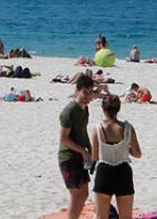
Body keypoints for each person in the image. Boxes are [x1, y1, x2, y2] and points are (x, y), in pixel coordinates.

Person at [90, 95, 141, 219]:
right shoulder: (128, 128)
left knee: (101, 216)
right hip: (123, 171)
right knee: (126, 216)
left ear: (103, 109)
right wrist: (124, 148)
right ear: (118, 109)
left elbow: (95, 156)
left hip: (104, 171)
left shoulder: (98, 128)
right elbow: (138, 154)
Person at [58, 75, 96, 219]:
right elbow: (63, 138)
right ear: (78, 90)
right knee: (76, 193)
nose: (88, 96)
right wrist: (83, 151)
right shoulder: (69, 111)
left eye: (91, 92)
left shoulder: (85, 109)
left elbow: (83, 131)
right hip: (67, 157)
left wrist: (91, 149)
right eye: (85, 92)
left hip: (80, 156)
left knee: (84, 193)